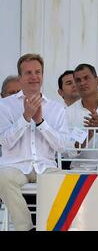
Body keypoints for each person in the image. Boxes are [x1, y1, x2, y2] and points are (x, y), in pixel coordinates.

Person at [0, 54, 68, 231]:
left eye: (38, 72)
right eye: (28, 72)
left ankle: (51, 227)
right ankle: (26, 228)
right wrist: (25, 117)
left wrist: (41, 123)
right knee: (1, 178)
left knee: (68, 182)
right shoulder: (4, 106)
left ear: (43, 76)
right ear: (20, 77)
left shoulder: (56, 108)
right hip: (15, 166)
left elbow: (61, 146)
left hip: (45, 166)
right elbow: (5, 141)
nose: (34, 76)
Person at [65, 64, 98, 172]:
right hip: (81, 171)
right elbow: (65, 152)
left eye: (86, 78)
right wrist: (87, 137)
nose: (82, 83)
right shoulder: (68, 113)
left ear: (97, 81)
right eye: (78, 80)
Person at [1, 75, 22, 157]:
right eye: (12, 93)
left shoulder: (33, 112)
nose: (16, 96)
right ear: (2, 96)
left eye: (19, 92)